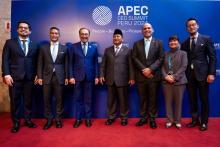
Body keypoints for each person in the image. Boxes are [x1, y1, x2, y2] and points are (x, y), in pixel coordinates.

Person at [1, 21, 38, 133]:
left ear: (29, 31)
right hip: (14, 78)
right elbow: (5, 60)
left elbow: (36, 61)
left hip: (30, 78)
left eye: (26, 28)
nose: (23, 29)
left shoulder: (34, 44)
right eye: (21, 28)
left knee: (28, 101)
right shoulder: (9, 43)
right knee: (15, 101)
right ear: (17, 30)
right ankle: (16, 122)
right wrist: (6, 74)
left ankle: (28, 120)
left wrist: (37, 74)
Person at [181, 18, 216, 131]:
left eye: (193, 25)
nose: (191, 27)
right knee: (192, 99)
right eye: (189, 26)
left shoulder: (206, 39)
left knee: (204, 99)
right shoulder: (185, 43)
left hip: (203, 75)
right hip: (189, 76)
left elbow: (212, 57)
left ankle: (204, 122)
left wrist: (211, 73)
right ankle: (195, 120)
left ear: (197, 26)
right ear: (187, 28)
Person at [132, 23, 164, 129]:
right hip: (141, 76)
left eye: (149, 28)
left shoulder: (159, 43)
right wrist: (144, 70)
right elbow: (134, 58)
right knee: (142, 98)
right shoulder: (136, 44)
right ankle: (143, 117)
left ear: (152, 30)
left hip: (153, 76)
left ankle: (152, 118)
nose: (147, 30)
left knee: (153, 98)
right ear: (142, 31)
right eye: (144, 28)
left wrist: (150, 69)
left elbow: (161, 58)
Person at [100, 29, 135, 126]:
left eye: (118, 36)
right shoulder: (107, 50)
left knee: (124, 100)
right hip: (110, 80)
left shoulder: (128, 50)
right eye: (114, 36)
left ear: (122, 39)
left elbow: (131, 66)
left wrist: (132, 78)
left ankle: (124, 118)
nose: (116, 38)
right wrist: (101, 75)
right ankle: (111, 117)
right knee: (111, 101)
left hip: (123, 80)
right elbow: (103, 65)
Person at [37, 27, 68, 130]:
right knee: (47, 100)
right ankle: (49, 120)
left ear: (59, 35)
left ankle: (58, 120)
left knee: (59, 100)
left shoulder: (64, 48)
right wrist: (40, 76)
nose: (54, 35)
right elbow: (40, 63)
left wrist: (67, 77)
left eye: (56, 33)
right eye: (52, 33)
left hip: (60, 77)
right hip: (46, 77)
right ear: (50, 34)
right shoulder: (43, 48)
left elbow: (66, 64)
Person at [69, 28, 99, 128]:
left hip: (90, 77)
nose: (84, 36)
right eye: (82, 34)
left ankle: (88, 119)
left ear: (89, 35)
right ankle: (78, 119)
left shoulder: (94, 47)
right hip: (77, 77)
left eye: (86, 34)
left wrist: (97, 76)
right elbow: (70, 63)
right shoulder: (73, 47)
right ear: (79, 35)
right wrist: (71, 76)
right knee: (78, 99)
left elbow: (95, 63)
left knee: (88, 99)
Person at [162, 35, 187, 129]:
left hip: (179, 82)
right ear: (168, 43)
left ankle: (177, 121)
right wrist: (165, 76)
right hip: (166, 82)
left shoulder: (183, 53)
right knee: (168, 102)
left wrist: (174, 77)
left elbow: (184, 66)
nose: (173, 42)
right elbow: (162, 67)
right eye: (171, 41)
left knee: (178, 102)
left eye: (175, 41)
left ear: (178, 42)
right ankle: (169, 120)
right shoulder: (165, 54)